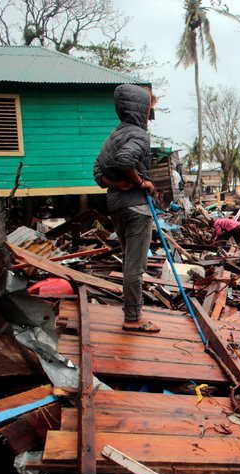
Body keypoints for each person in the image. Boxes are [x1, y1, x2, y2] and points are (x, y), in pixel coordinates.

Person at [93, 84, 159, 333]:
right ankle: (133, 318)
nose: (149, 116)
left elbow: (97, 174)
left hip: (116, 206)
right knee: (135, 266)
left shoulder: (112, 136)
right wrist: (142, 182)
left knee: (129, 262)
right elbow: (125, 160)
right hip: (136, 207)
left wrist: (116, 183)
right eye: (148, 110)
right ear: (139, 109)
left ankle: (132, 311)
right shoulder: (139, 136)